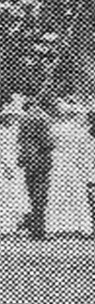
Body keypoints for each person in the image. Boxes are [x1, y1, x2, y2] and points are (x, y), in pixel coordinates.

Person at [45, 96, 95, 237]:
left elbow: (84, 146)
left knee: (71, 192)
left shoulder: (61, 128)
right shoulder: (62, 128)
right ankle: (63, 227)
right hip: (63, 161)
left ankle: (71, 226)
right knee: (63, 192)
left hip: (70, 161)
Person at [18, 95, 55, 240]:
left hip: (28, 161)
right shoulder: (42, 119)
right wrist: (53, 143)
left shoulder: (23, 120)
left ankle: (34, 228)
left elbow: (20, 141)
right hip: (41, 161)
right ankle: (39, 230)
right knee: (41, 197)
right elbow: (47, 142)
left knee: (32, 195)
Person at [0, 96, 29, 235]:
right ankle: (5, 226)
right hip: (4, 165)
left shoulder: (18, 131)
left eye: (14, 116)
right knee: (4, 195)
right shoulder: (1, 131)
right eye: (9, 116)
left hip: (17, 164)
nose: (12, 119)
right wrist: (5, 166)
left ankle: (16, 225)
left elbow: (21, 148)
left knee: (18, 194)